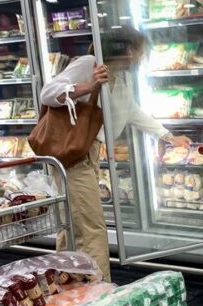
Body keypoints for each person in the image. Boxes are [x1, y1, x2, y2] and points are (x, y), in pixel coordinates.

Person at [39, 27, 191, 282]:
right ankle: (99, 294)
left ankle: (64, 285)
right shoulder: (90, 64)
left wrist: (167, 136)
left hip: (89, 154)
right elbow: (47, 93)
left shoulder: (122, 76)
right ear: (129, 51)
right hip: (73, 155)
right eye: (142, 52)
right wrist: (89, 84)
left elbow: (132, 112)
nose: (143, 58)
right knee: (92, 227)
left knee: (73, 224)